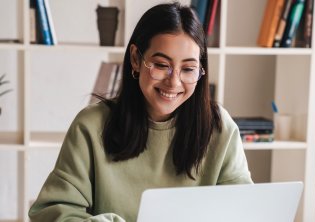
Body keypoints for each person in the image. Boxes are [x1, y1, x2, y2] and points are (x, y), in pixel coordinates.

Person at [29, 2, 253, 222]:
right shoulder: (92, 126)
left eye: (188, 69)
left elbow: (246, 211)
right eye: (161, 65)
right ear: (136, 59)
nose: (174, 82)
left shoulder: (219, 128)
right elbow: (50, 213)